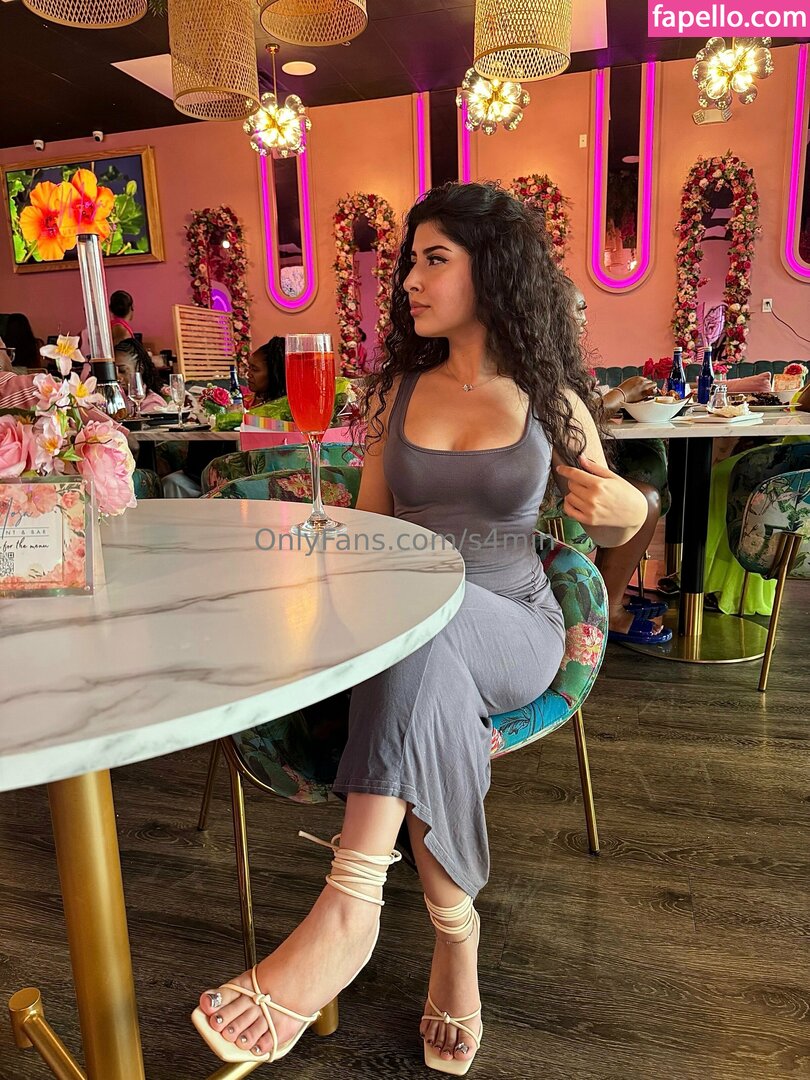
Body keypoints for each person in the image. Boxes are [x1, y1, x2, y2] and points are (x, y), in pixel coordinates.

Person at [194, 182, 648, 1071]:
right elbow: (372, 531)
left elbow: (616, 525)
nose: (408, 278)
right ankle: (455, 936)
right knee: (417, 634)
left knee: (422, 618)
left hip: (512, 624)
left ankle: (349, 905)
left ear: (495, 271)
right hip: (406, 627)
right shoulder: (395, 394)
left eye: (434, 259)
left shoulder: (550, 399)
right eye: (409, 260)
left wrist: (632, 508)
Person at [563, 281, 670, 644]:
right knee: (646, 498)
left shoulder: (559, 358)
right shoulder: (536, 360)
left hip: (570, 466)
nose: (584, 316)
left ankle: (611, 593)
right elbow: (565, 415)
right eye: (577, 307)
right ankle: (610, 608)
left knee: (647, 487)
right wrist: (622, 394)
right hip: (555, 479)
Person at [246, 336, 286, 406]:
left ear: (273, 374)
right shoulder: (243, 400)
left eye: (255, 369)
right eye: (249, 367)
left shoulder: (282, 408)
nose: (248, 374)